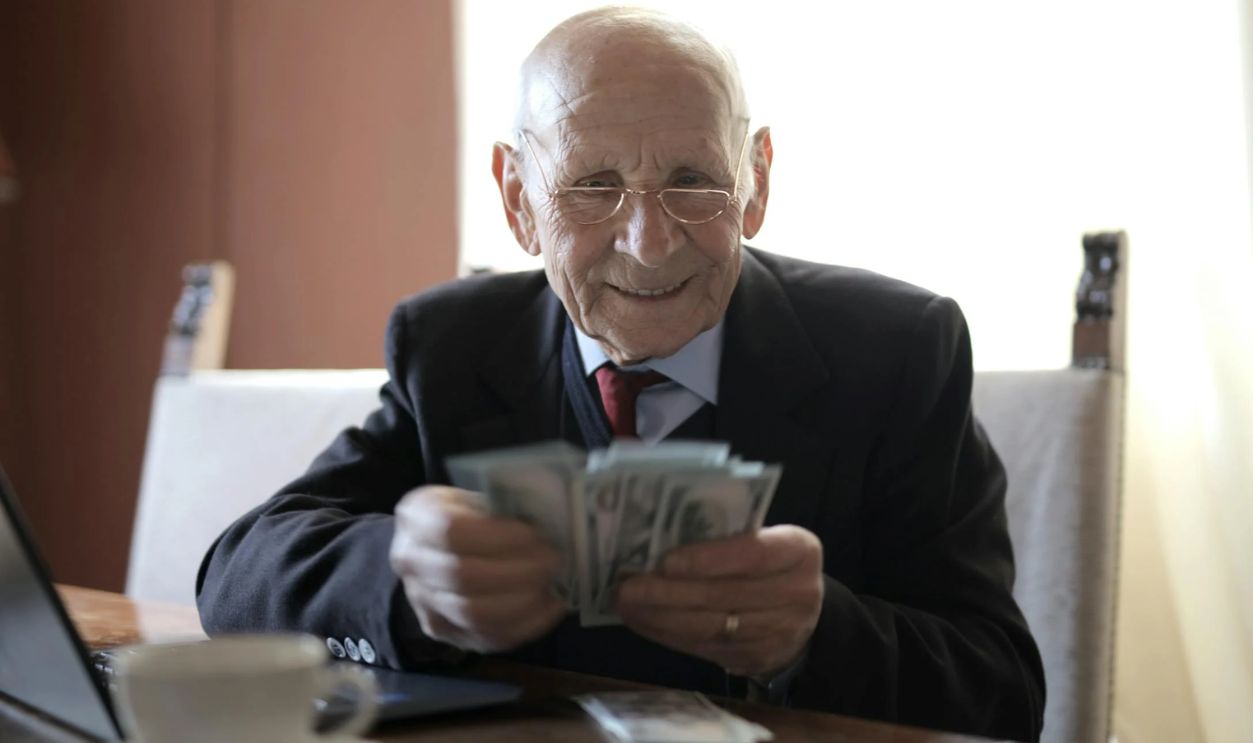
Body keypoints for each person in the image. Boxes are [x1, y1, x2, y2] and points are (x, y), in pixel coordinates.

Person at [196, 7, 1045, 741]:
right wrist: (405, 579)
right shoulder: (453, 347)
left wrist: (815, 633)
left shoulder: (896, 351)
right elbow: (236, 576)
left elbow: (1002, 693)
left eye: (693, 183)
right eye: (592, 186)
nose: (648, 241)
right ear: (517, 198)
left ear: (754, 182)